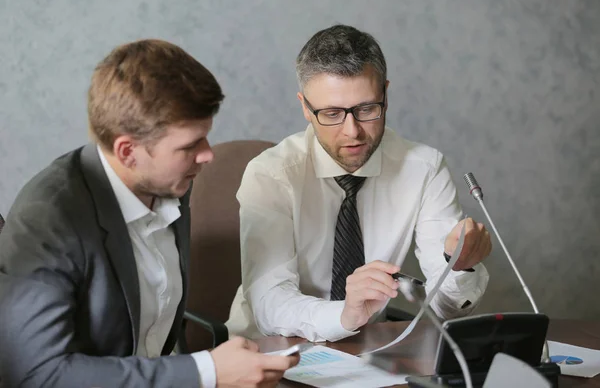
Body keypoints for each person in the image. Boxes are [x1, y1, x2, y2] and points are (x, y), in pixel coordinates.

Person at [0, 39, 297, 388]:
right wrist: (206, 372)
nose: (207, 155)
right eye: (190, 146)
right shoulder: (48, 220)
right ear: (128, 151)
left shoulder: (168, 182)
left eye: (205, 138)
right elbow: (39, 375)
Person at [226, 25, 492, 342]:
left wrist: (457, 266)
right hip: (269, 350)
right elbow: (270, 303)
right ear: (305, 107)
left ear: (386, 95)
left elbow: (449, 308)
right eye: (332, 113)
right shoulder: (271, 174)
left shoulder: (425, 168)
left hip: (368, 350)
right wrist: (343, 315)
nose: (352, 131)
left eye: (366, 109)